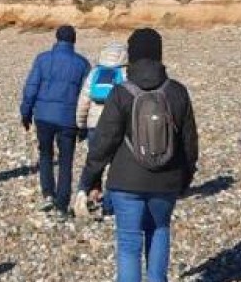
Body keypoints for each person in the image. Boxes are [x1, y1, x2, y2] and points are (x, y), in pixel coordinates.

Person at [80, 28, 199, 282]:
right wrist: (185, 178)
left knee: (128, 243)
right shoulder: (177, 91)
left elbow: (104, 141)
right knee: (159, 230)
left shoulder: (122, 91)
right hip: (166, 180)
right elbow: (190, 142)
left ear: (131, 56)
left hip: (126, 180)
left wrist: (91, 178)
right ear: (159, 54)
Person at [20, 25, 92, 218]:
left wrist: (25, 113)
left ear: (56, 38)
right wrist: (83, 124)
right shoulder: (82, 63)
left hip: (43, 116)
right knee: (66, 161)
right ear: (74, 41)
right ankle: (61, 204)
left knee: (45, 154)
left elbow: (31, 87)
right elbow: (86, 96)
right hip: (69, 119)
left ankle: (48, 194)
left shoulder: (42, 59)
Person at [74, 41, 127, 217]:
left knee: (94, 161)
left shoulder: (95, 73)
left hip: (94, 125)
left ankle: (85, 192)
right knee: (116, 165)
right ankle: (109, 205)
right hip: (117, 126)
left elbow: (84, 100)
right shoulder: (125, 74)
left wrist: (80, 123)